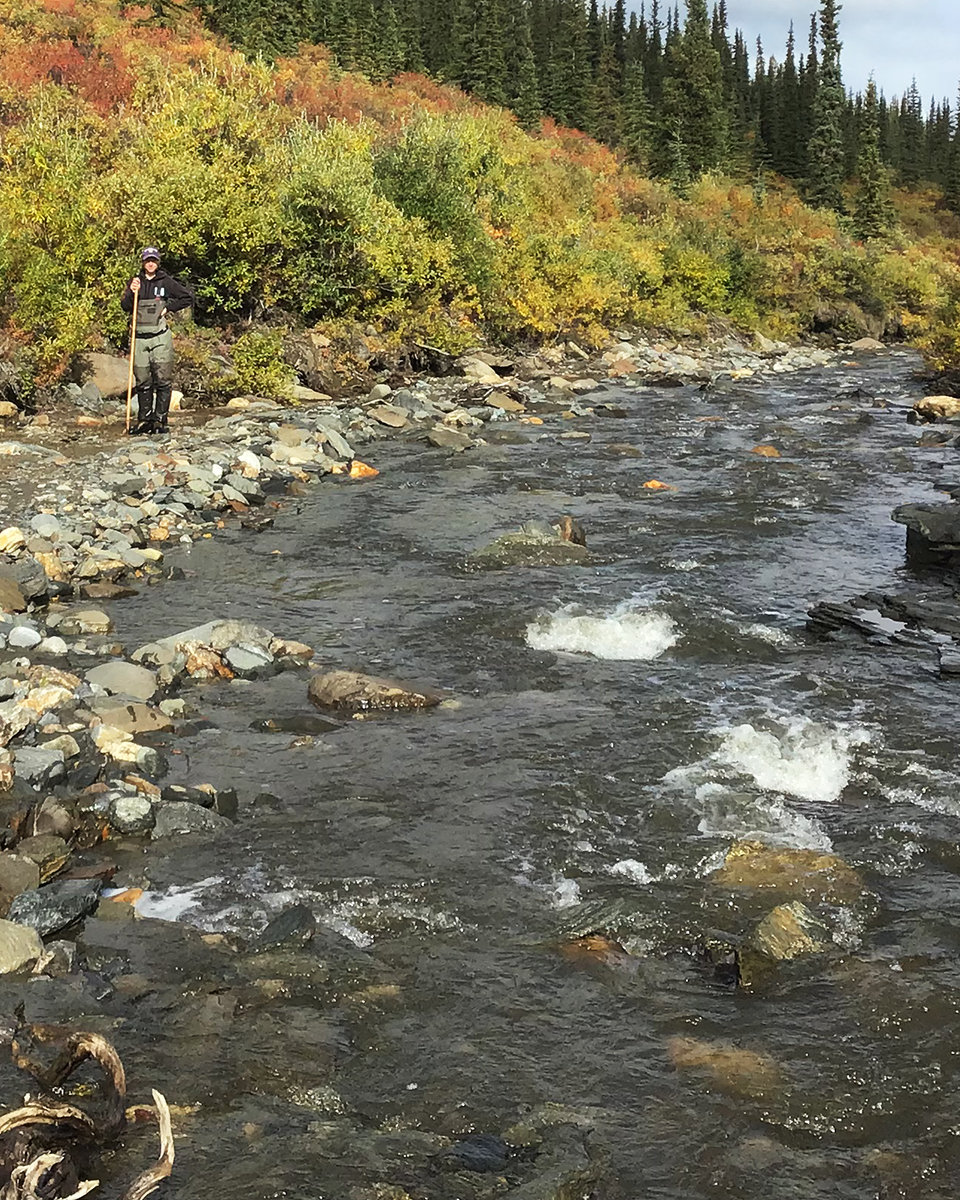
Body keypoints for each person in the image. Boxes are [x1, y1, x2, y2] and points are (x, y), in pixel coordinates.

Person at [121, 247, 194, 435]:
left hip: (160, 337)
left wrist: (168, 308)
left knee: (162, 380)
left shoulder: (165, 281)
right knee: (143, 380)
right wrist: (131, 292)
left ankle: (160, 421)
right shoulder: (136, 281)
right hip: (139, 338)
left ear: (158, 262)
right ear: (143, 262)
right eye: (147, 260)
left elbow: (187, 297)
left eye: (153, 260)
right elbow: (125, 306)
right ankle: (144, 421)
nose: (150, 263)